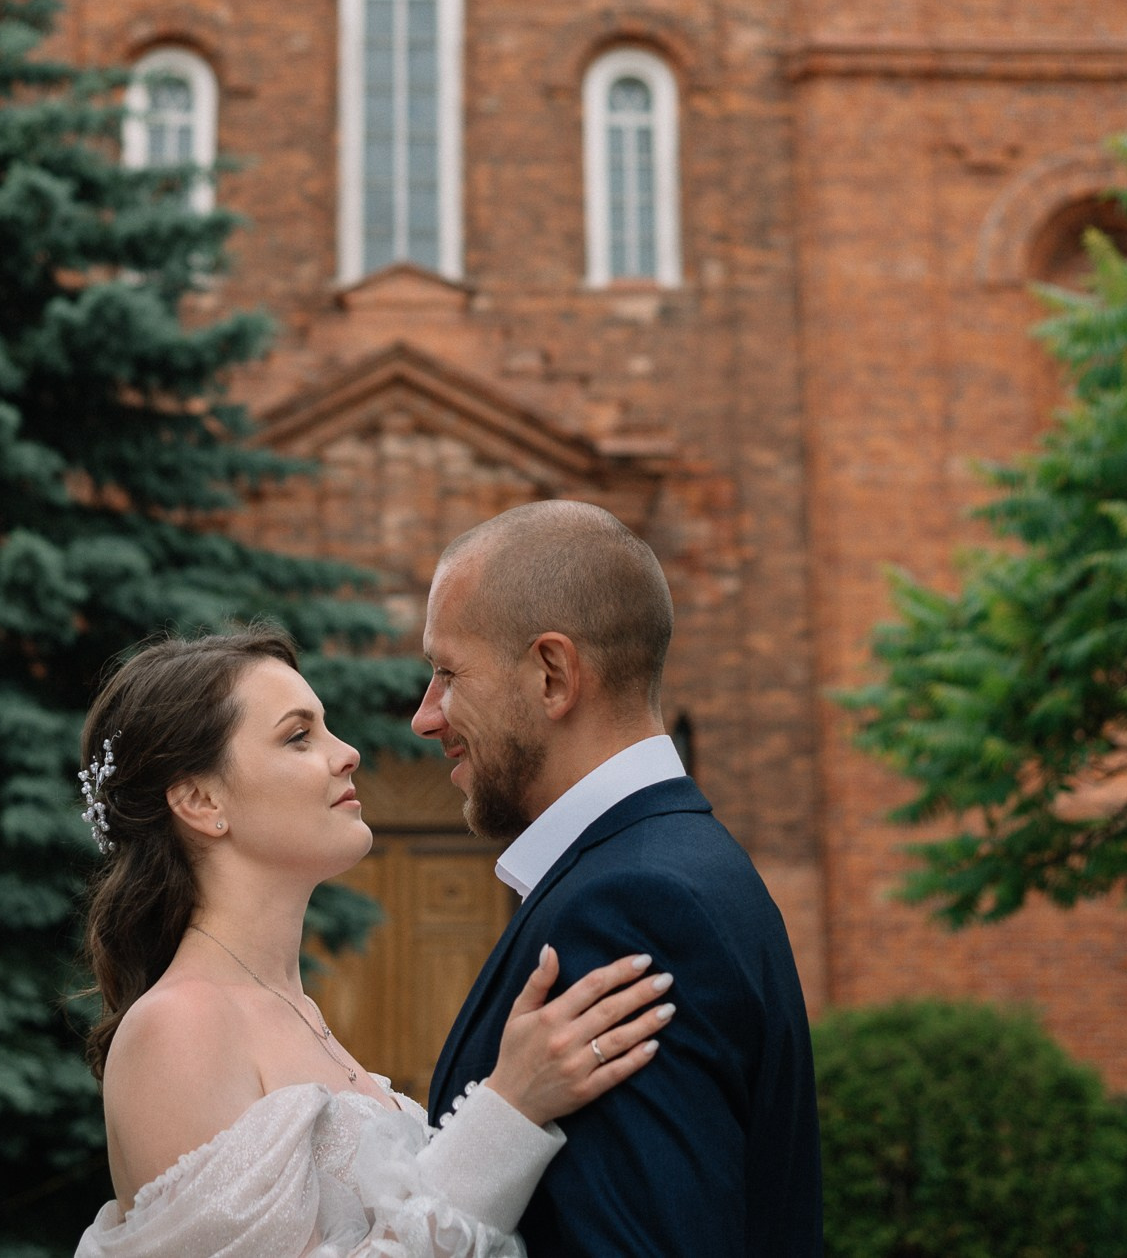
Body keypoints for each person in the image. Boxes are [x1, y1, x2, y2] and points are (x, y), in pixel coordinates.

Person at [71, 625, 677, 1257]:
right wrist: (509, 1110)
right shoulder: (180, 1025)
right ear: (199, 799)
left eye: (327, 727)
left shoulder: (294, 1009)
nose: (348, 753)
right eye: (298, 735)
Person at [421, 501, 820, 1257]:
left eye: (446, 672)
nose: (425, 715)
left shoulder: (629, 907)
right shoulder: (684, 862)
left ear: (552, 674)